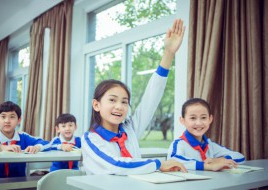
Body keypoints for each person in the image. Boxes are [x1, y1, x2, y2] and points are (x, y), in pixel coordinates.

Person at [81, 19, 187, 175]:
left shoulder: (129, 130)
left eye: (124, 102)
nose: (119, 106)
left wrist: (169, 53)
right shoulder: (91, 139)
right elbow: (116, 165)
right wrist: (158, 164)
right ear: (96, 105)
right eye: (112, 100)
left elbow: (151, 98)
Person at [0, 101, 49, 190]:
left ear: (19, 120)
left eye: (12, 117)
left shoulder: (23, 137)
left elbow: (46, 143)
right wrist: (1, 147)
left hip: (18, 182)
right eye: (3, 117)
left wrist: (37, 147)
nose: (7, 121)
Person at [167, 98, 245, 171]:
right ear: (182, 120)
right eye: (193, 118)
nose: (199, 123)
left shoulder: (210, 145)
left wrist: (222, 160)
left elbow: (240, 157)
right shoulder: (179, 144)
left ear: (210, 119)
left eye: (203, 118)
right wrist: (207, 166)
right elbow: (172, 160)